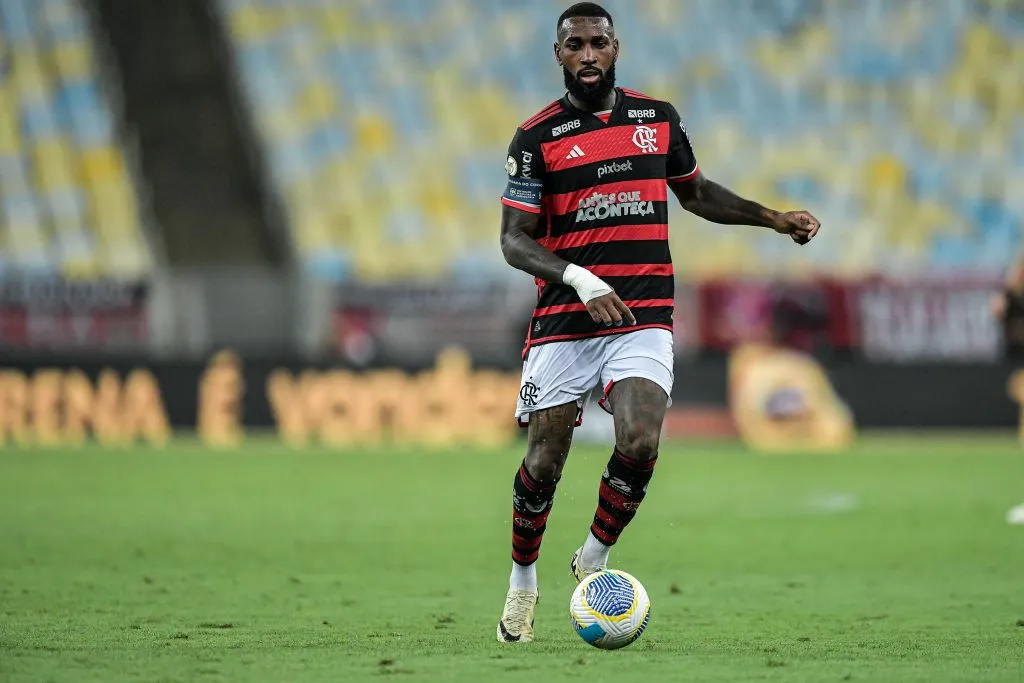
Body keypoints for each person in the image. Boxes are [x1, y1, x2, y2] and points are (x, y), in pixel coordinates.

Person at [496, 2, 821, 642]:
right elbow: (514, 240)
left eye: (598, 43)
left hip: (643, 311)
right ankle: (523, 582)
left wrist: (771, 218)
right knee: (545, 461)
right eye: (574, 46)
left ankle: (594, 556)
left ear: (616, 48)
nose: (587, 55)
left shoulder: (657, 120)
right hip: (566, 319)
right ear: (557, 55)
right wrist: (580, 278)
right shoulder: (536, 138)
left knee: (640, 439)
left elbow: (695, 193)